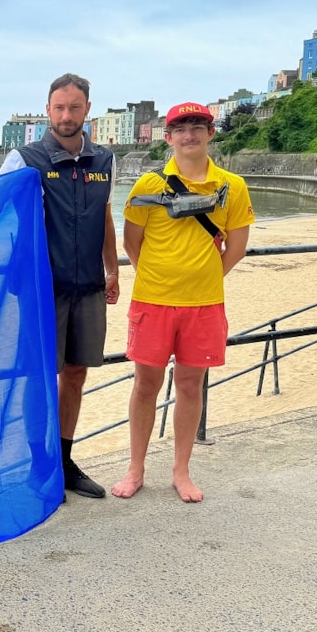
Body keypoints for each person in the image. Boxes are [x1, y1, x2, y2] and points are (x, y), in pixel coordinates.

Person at [112, 102, 253, 503]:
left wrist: (205, 277)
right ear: (168, 137)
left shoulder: (232, 186)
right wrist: (156, 277)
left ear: (211, 133)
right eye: (180, 127)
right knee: (145, 385)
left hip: (204, 305)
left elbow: (238, 247)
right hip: (152, 302)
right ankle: (136, 468)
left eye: (198, 126)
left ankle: (181, 470)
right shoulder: (148, 186)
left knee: (191, 386)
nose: (189, 134)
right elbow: (131, 242)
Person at [0, 72, 119, 498]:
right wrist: (13, 190)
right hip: (38, 287)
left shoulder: (104, 160)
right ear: (47, 110)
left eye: (75, 107)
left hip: (86, 284)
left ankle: (64, 463)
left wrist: (113, 271)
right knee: (39, 374)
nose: (66, 115)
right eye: (59, 107)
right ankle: (39, 464)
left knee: (77, 373)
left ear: (88, 110)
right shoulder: (23, 158)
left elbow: (105, 216)